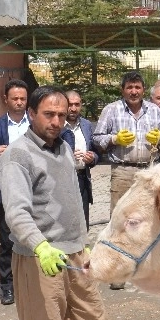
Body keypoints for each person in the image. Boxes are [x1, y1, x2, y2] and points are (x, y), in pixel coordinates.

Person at [0, 86, 135, 320]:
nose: (57, 121)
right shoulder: (17, 156)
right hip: (38, 258)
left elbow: (71, 200)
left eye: (61, 114)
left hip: (75, 254)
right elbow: (16, 212)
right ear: (31, 113)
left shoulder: (64, 148)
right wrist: (40, 246)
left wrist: (83, 242)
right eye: (49, 114)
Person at [92, 71, 160, 288]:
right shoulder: (111, 110)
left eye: (137, 87)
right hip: (123, 171)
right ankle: (117, 275)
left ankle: (148, 271)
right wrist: (114, 138)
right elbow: (97, 139)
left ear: (143, 90)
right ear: (123, 90)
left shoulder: (154, 110)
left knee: (151, 222)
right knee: (120, 223)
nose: (133, 91)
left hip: (148, 172)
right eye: (129, 87)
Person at [0, 78, 30, 306]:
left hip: (34, 191)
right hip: (8, 191)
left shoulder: (36, 123)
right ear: (6, 100)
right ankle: (8, 286)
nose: (20, 103)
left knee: (34, 238)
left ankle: (31, 283)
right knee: (7, 241)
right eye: (15, 99)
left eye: (23, 99)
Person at [61, 90, 98, 229]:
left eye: (77, 104)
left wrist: (92, 158)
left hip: (82, 178)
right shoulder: (57, 125)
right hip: (63, 180)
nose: (73, 108)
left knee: (83, 224)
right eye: (70, 104)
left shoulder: (86, 125)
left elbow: (96, 151)